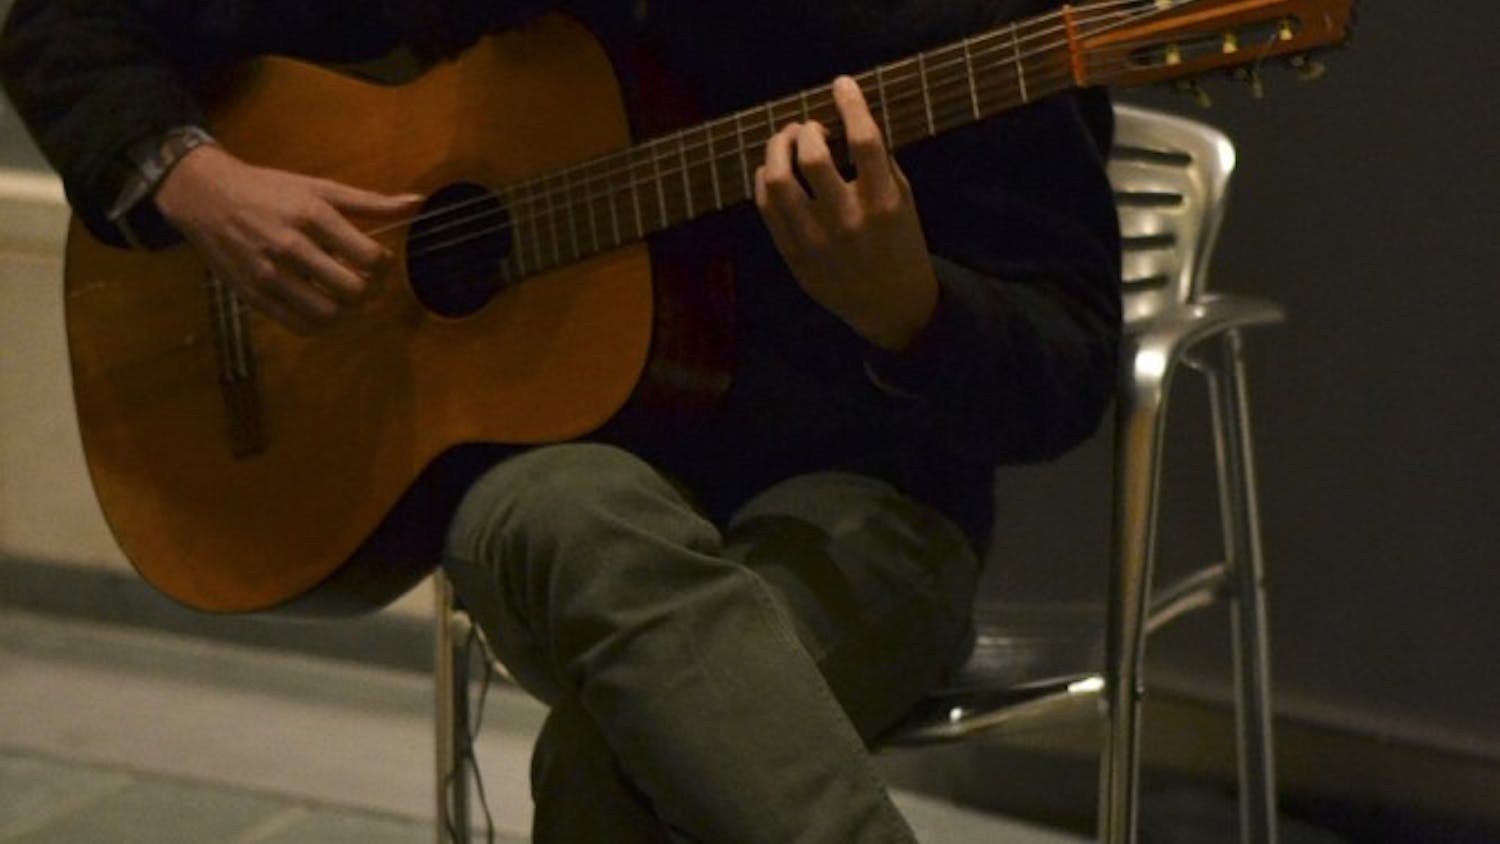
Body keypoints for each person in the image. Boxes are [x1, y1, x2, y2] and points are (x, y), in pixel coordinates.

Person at [1, 0, 1121, 841]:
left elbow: (1067, 368)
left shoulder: (973, 24)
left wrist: (909, 311)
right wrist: (200, 184)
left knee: (614, 776)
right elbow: (62, 21)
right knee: (552, 515)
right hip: (566, 490)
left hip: (869, 513)